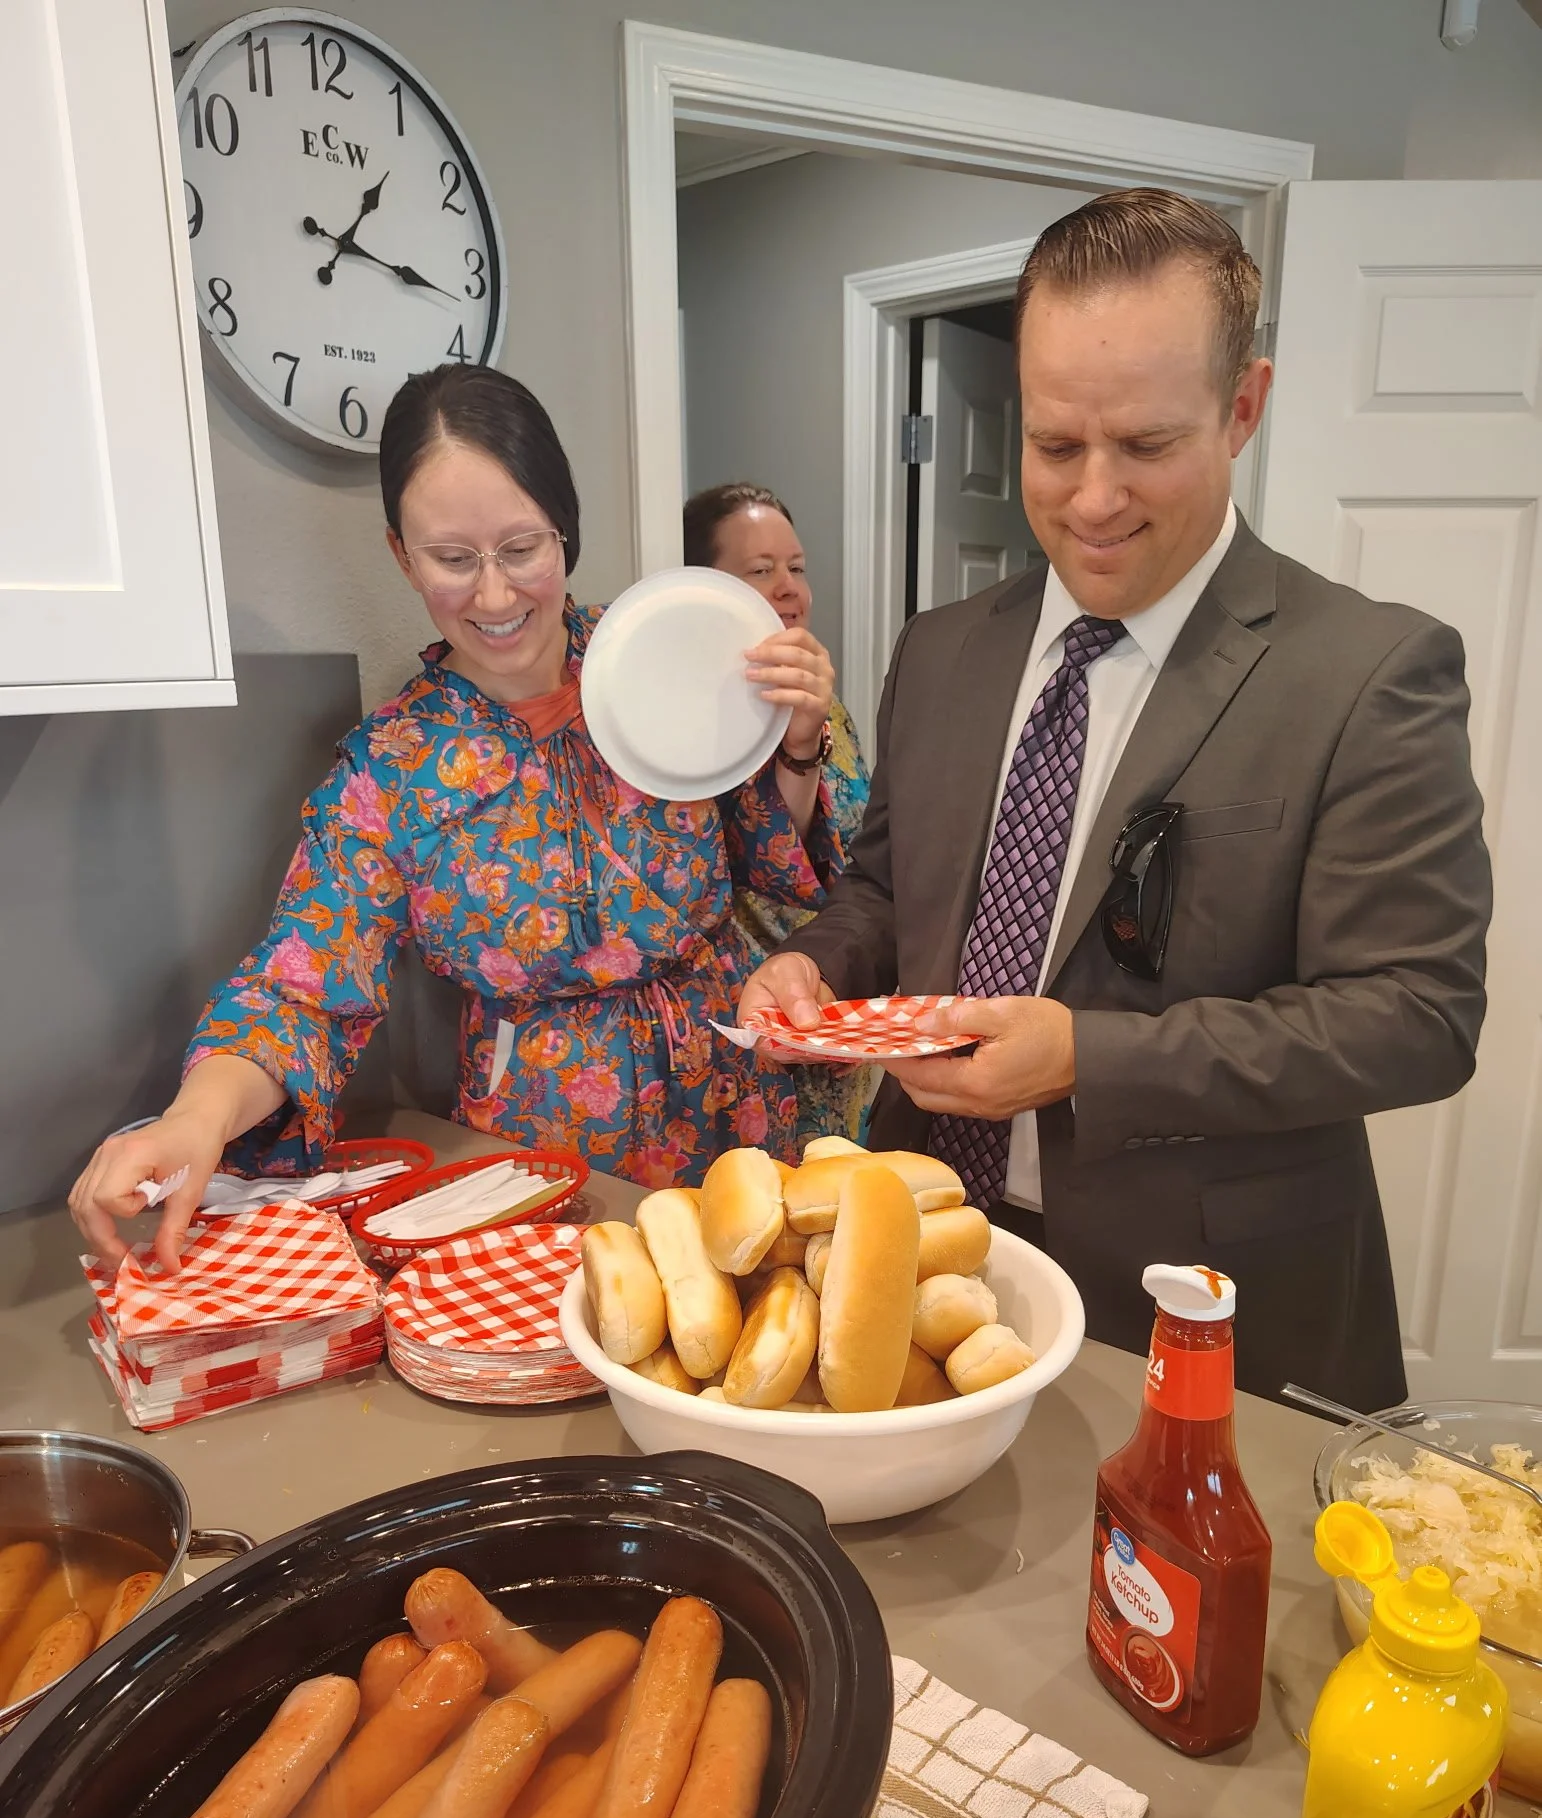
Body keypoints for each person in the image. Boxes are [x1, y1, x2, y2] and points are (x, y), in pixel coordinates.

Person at [739, 188, 1491, 1407]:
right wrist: (822, 960)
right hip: (923, 1238)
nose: (1092, 499)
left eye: (1146, 445)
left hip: (1201, 1287)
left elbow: (1416, 1014)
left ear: (1242, 405)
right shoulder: (940, 647)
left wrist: (1089, 1057)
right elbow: (889, 881)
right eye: (1052, 444)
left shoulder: (1365, 671)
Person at [72, 366, 847, 1269]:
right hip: (547, 1150)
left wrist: (796, 739)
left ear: (566, 531)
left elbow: (769, 857)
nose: (494, 596)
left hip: (732, 1105)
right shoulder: (389, 769)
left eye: (522, 548)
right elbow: (301, 988)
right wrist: (191, 1120)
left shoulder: (668, 656)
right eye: (452, 559)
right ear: (403, 554)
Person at [683, 481, 873, 1145]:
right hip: (753, 1017)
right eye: (761, 572)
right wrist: (797, 745)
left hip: (835, 991)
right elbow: (774, 865)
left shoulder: (827, 705)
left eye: (796, 567)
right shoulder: (689, 722)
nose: (790, 587)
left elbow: (856, 854)